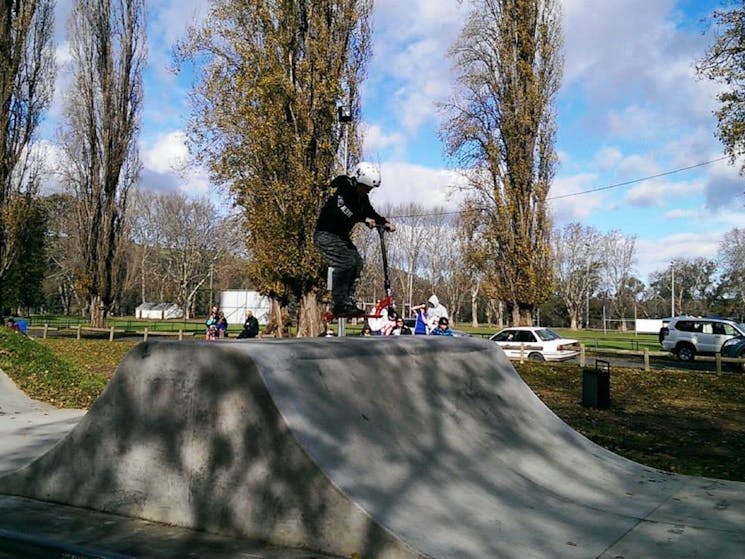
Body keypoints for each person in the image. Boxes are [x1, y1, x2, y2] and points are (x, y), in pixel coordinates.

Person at [314, 162, 396, 316]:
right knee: (346, 262)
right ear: (359, 182)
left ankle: (347, 300)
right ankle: (338, 303)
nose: (368, 191)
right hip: (325, 234)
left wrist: (384, 223)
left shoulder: (362, 198)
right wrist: (362, 218)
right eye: (366, 188)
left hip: (340, 237)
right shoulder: (344, 189)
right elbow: (341, 210)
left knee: (357, 262)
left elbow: (371, 213)